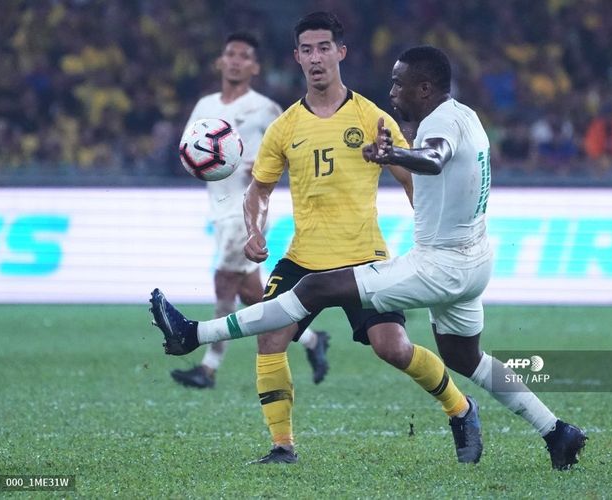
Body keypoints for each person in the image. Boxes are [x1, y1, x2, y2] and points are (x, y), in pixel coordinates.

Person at [153, 14, 483, 465]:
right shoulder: (285, 126)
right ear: (297, 58)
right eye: (306, 50)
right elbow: (259, 189)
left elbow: (413, 182)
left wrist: (430, 240)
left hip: (364, 257)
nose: (315, 58)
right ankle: (282, 446)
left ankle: (461, 409)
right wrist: (254, 231)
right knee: (268, 338)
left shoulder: (372, 116)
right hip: (303, 259)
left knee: (394, 348)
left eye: (324, 48)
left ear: (340, 53)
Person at [169, 32, 330, 389]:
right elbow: (188, 151)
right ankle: (312, 339)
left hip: (248, 209)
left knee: (223, 280)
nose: (236, 60)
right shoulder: (205, 106)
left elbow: (291, 151)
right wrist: (206, 164)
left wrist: (260, 163)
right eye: (231, 54)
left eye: (244, 56)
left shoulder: (265, 109)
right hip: (218, 205)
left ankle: (208, 367)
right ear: (220, 61)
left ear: (254, 67)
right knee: (251, 294)